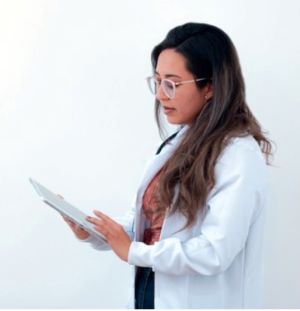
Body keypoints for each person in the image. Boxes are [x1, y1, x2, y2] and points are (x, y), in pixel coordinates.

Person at [62, 22, 273, 309]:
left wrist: (136, 252)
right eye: (158, 81)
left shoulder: (238, 156)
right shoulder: (178, 144)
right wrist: (98, 232)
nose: (160, 95)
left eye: (172, 83)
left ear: (209, 86)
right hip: (150, 295)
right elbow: (151, 227)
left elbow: (214, 251)